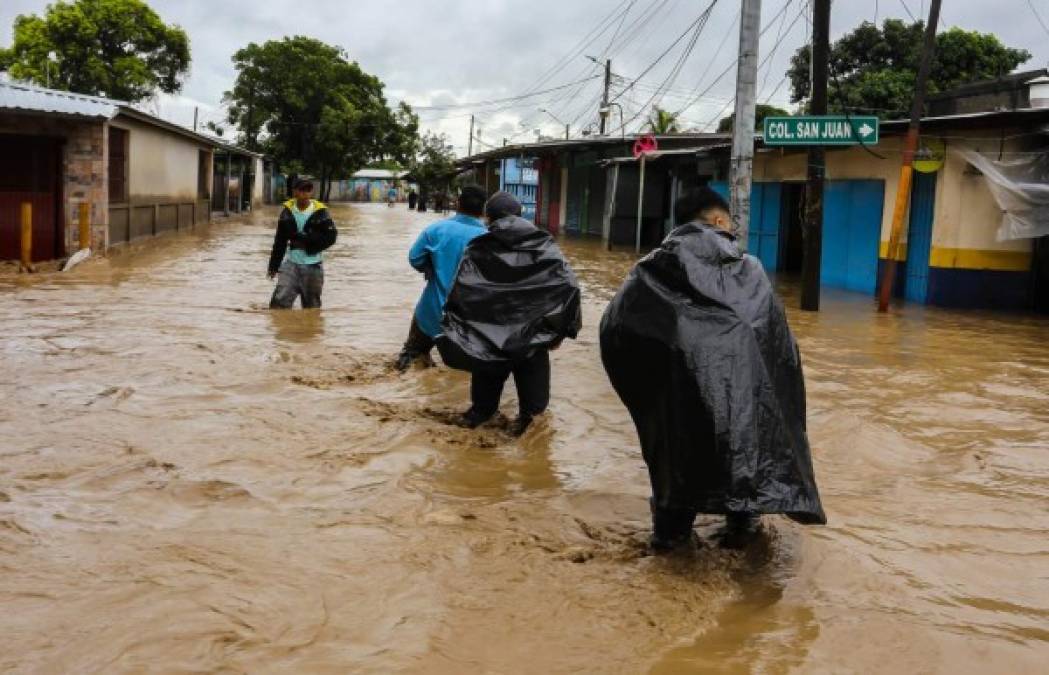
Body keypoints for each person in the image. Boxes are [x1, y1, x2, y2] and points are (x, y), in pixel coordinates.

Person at [599, 187, 826, 551]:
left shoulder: (648, 270)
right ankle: (744, 548)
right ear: (719, 220)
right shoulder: (748, 269)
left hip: (674, 408)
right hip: (740, 411)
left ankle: (669, 552)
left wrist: (654, 393)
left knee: (675, 483)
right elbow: (780, 351)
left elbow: (616, 330)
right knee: (744, 484)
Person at [437, 191, 581, 436]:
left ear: (488, 218)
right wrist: (562, 333)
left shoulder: (478, 247)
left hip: (487, 340)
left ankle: (478, 437)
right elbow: (569, 287)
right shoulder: (546, 245)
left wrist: (460, 330)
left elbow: (460, 291)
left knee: (480, 413)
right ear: (520, 214)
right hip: (533, 341)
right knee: (534, 421)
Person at [396, 185, 488, 371]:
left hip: (432, 310)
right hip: (470, 316)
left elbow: (415, 258)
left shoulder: (436, 230)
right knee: (469, 370)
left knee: (411, 356)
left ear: (458, 203)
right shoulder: (489, 238)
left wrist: (431, 267)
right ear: (483, 209)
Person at [267, 179, 338, 309]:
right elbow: (280, 241)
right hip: (291, 265)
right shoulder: (287, 212)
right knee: (278, 304)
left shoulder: (321, 212)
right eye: (301, 190)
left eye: (307, 190)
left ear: (311, 192)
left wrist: (307, 240)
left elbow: (331, 237)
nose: (304, 193)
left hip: (313, 265)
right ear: (294, 192)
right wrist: (273, 266)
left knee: (312, 308)